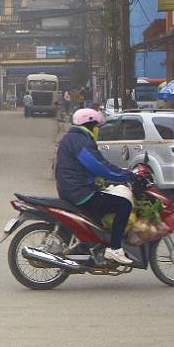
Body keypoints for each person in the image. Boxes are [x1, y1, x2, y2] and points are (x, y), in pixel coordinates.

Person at [55, 108, 138, 266]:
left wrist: (105, 180)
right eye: (97, 126)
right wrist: (126, 175)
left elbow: (89, 168)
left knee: (104, 204)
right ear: (90, 124)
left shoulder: (72, 138)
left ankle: (96, 246)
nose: (98, 129)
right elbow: (99, 166)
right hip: (79, 192)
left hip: (72, 189)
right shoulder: (81, 140)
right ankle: (114, 249)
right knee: (124, 205)